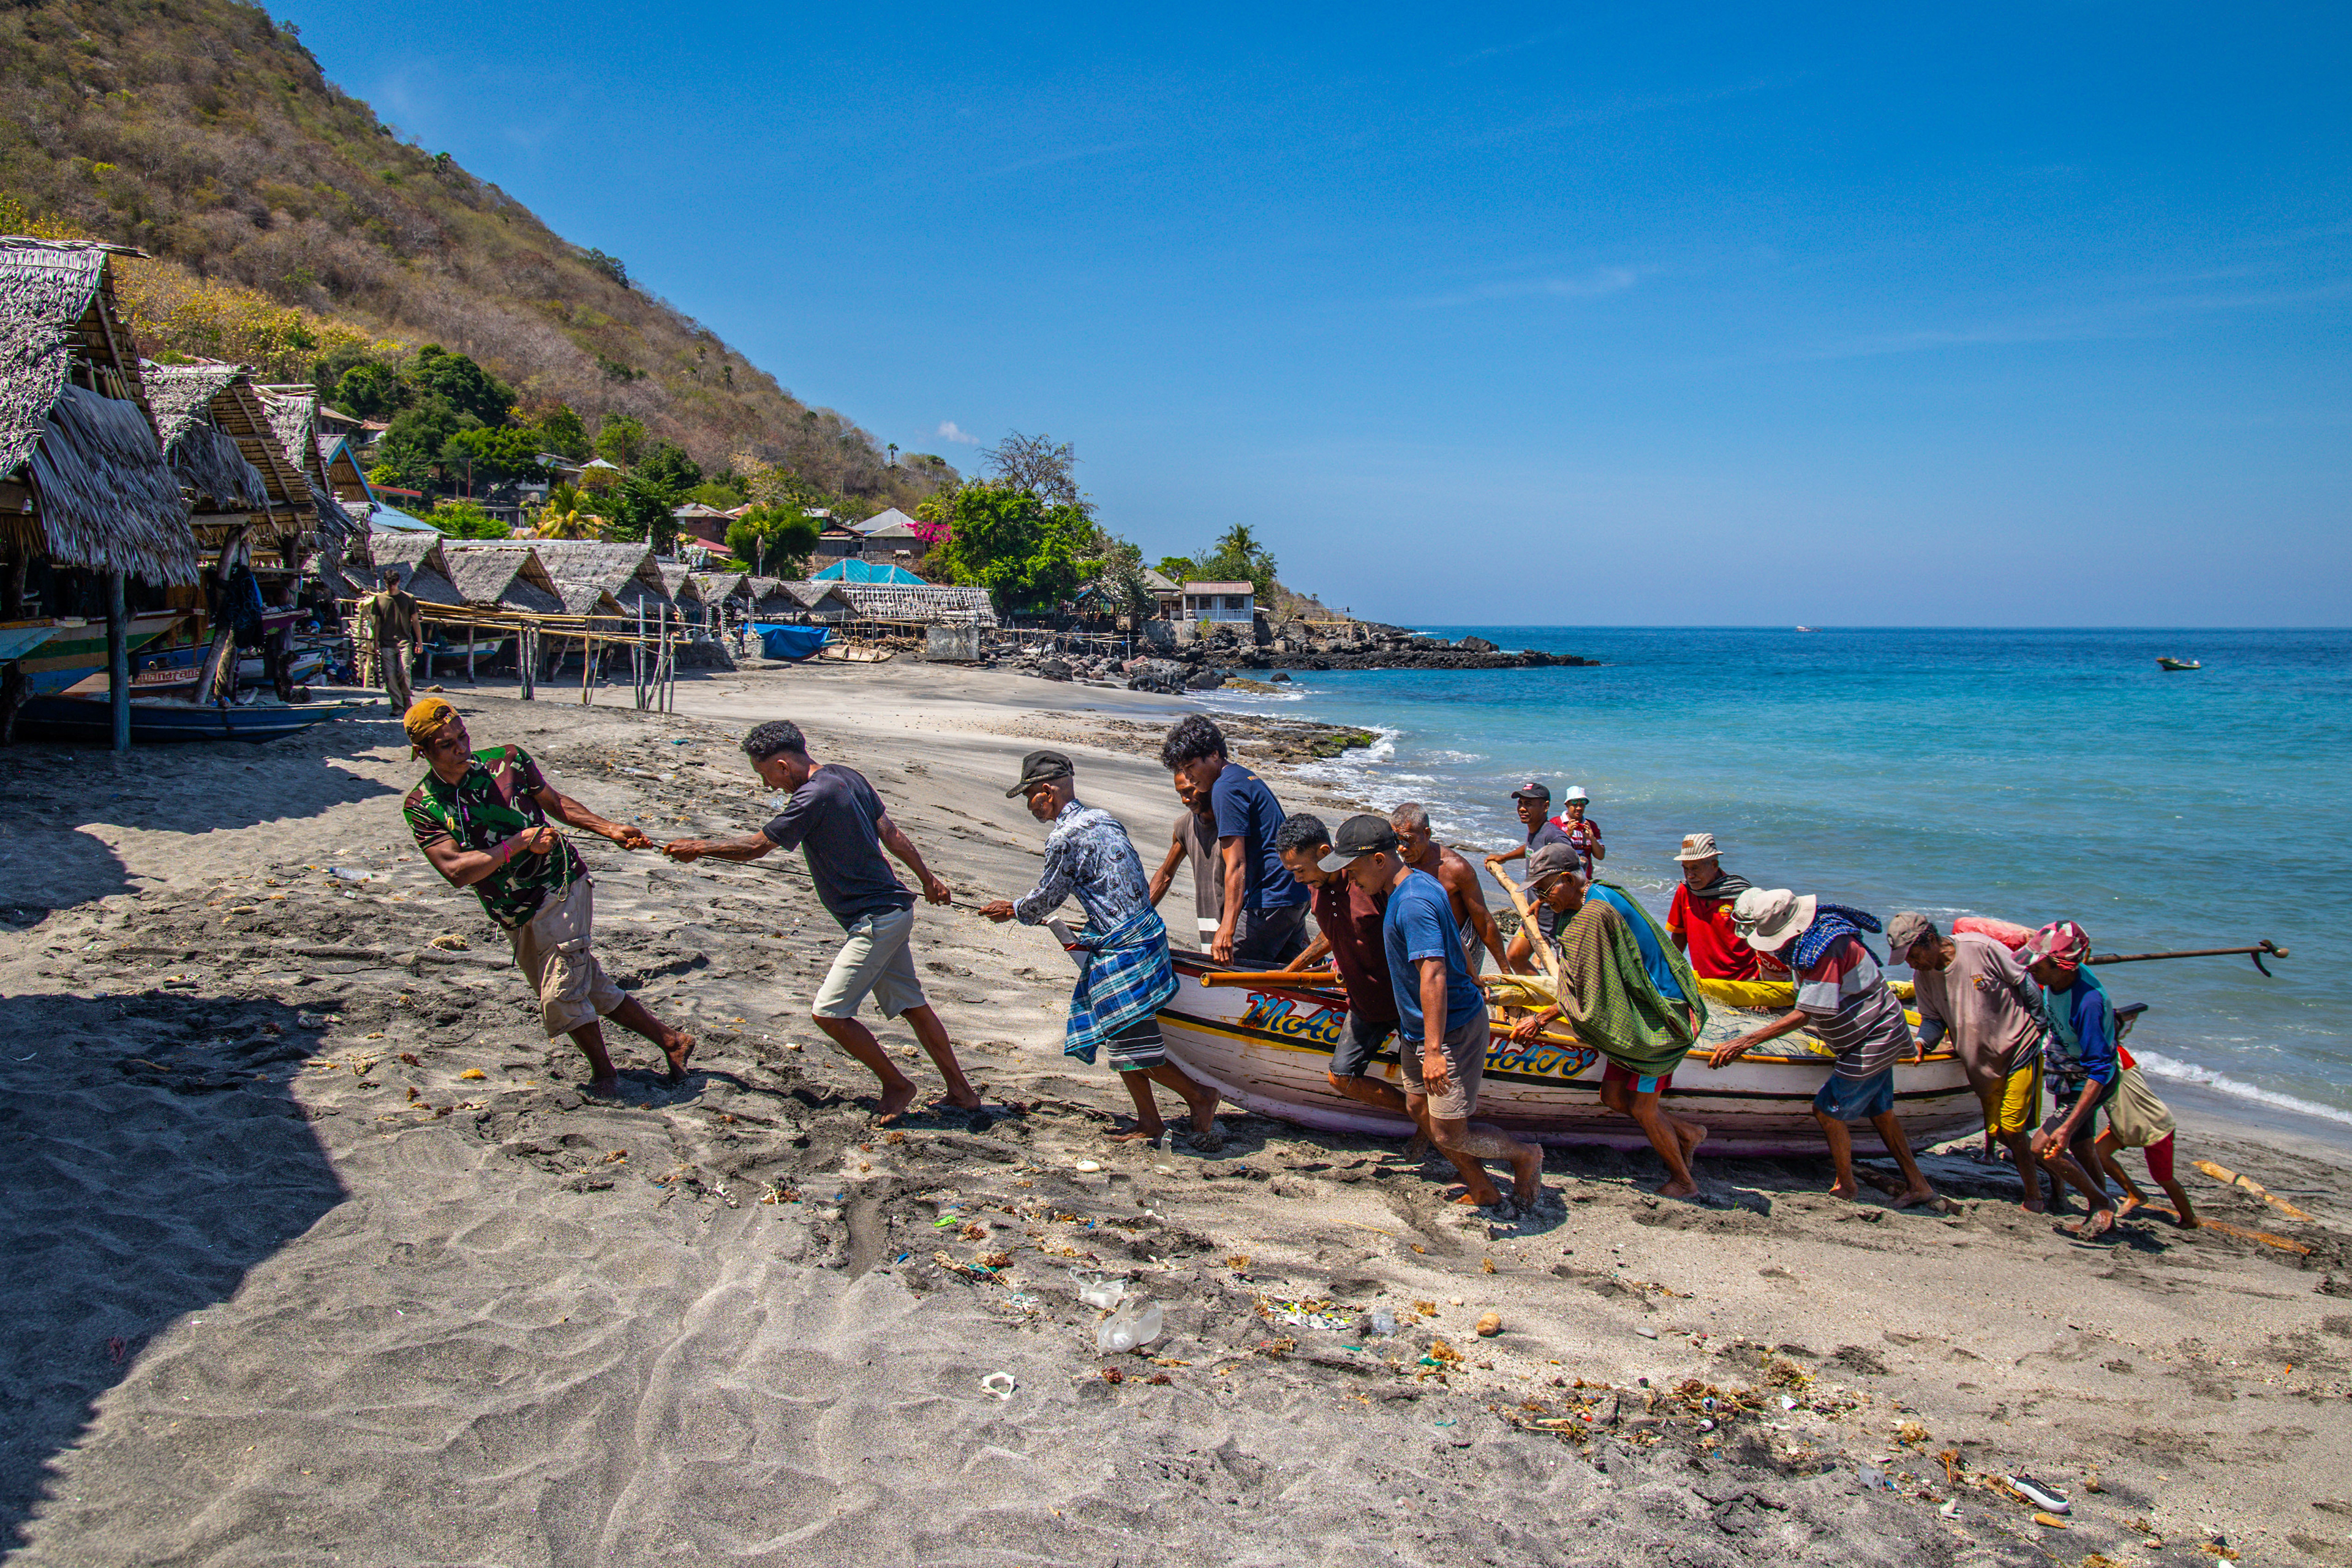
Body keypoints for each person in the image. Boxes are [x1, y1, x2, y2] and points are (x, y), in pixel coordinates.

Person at [663, 720, 981, 1125]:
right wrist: (926, 878)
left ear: (782, 764)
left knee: (829, 1013)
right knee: (912, 1005)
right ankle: (963, 1093)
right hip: (895, 910)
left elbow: (756, 848)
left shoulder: (811, 797)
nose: (770, 788)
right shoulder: (846, 776)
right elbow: (891, 832)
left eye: (767, 777)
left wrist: (699, 847)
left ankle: (898, 1085)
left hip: (876, 921)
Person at [401, 699, 693, 1097]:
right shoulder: (423, 806)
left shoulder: (508, 761)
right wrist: (520, 843)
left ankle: (605, 1074)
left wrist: (608, 828)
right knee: (587, 984)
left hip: (561, 885)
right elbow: (455, 871)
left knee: (560, 993)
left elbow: (555, 803)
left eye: (463, 736)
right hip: (512, 909)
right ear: (423, 753)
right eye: (446, 743)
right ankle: (672, 1041)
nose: (461, 747)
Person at [979, 750, 1221, 1144]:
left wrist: (1014, 911)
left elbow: (1047, 898)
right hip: (1141, 931)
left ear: (1046, 792)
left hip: (1125, 945)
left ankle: (1200, 1096)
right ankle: (1149, 1121)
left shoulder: (1064, 837)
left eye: (1029, 797)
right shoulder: (1104, 819)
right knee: (1120, 1033)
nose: (1029, 806)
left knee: (1128, 1037)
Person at [1325, 814, 1544, 1213]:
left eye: (1353, 871)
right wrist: (1475, 974)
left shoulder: (1410, 902)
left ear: (1378, 860)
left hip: (1449, 1029)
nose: (1351, 881)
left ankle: (1525, 1155)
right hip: (1418, 1029)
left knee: (1449, 1134)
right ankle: (1485, 1184)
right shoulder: (1421, 880)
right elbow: (1454, 939)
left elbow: (1434, 972)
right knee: (1416, 1107)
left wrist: (1435, 1050)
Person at [1501, 843, 1708, 1197]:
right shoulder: (1595, 894)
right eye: (1535, 891)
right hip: (1638, 1005)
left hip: (1660, 1015)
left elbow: (1595, 992)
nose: (1542, 897)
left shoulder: (1596, 912)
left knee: (1644, 1107)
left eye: (1545, 889)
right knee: (1612, 1096)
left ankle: (1684, 1181)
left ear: (1568, 878)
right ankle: (1688, 1133)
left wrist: (1543, 1018)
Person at [1709, 889, 1937, 1208]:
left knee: (1826, 1109)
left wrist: (1743, 1042)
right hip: (1869, 1035)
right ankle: (1919, 1184)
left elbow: (1807, 1013)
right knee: (1882, 1113)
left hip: (1873, 1037)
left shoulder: (1827, 947)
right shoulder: (1814, 939)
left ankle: (1846, 1186)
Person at [1885, 911, 2050, 1211]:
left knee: (2013, 1129)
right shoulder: (1923, 977)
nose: (1911, 963)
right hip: (1981, 1065)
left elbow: (2024, 984)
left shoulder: (1980, 948)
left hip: (2019, 1048)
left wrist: (2040, 1025)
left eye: (1913, 955)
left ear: (1931, 940)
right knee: (1999, 1132)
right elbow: (1933, 1020)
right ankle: (2058, 1179)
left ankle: (2035, 1196)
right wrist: (1923, 1042)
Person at [1272, 813, 1408, 1119]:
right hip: (1364, 1004)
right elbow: (1332, 931)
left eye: (1299, 871)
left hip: (1403, 1002)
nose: (1298, 880)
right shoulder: (1315, 883)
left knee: (1424, 1083)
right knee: (1341, 1077)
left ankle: (1428, 1128)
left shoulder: (1367, 881)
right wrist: (1291, 971)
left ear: (1324, 853)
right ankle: (1418, 1119)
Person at [1158, 714, 1310, 965]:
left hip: (1269, 900)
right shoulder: (1243, 776)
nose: (1189, 776)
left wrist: (1227, 929)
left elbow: (1236, 864)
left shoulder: (1224, 788)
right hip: (1292, 894)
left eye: (1191, 766)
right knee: (1285, 976)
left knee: (1227, 968)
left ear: (1215, 754)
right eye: (1183, 769)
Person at [2018, 921, 2126, 1238]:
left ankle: (2101, 1201)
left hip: (2091, 1083)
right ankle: (2101, 1211)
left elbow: (2101, 1069)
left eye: (2038, 964)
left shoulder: (2088, 1003)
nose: (2031, 970)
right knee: (2083, 1148)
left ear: (2062, 967)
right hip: (2071, 1074)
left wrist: (2066, 1126)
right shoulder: (2056, 982)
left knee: (2042, 1146)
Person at [1389, 802, 1510, 974]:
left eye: (1408, 840)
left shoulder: (1456, 869)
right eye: (1397, 841)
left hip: (1461, 945)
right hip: (1422, 942)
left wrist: (1506, 971)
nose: (1402, 848)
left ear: (1427, 834)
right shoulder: (1399, 863)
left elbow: (1483, 920)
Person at [2095, 1050, 2198, 1229]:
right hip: (2125, 1123)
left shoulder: (2116, 1054)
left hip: (2153, 1124)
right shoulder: (2093, 1057)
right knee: (2097, 1153)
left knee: (2163, 1178)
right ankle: (2135, 1195)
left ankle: (2190, 1219)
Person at [1490, 780, 1577, 973]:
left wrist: (1542, 900)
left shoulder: (1553, 836)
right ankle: (1543, 1000)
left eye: (1528, 804)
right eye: (1520, 803)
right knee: (1515, 956)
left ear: (1545, 807)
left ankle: (1559, 1001)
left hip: (1554, 917)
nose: (1522, 808)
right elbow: (1531, 850)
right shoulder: (1535, 831)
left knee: (1564, 971)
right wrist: (1505, 857)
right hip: (1534, 914)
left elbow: (1571, 868)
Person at [1664, 834, 1763, 981]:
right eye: (1686, 869)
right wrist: (1669, 972)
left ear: (1714, 865)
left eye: (1695, 868)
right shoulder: (1685, 891)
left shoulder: (1740, 894)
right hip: (1707, 981)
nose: (1690, 875)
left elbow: (1762, 940)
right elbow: (1679, 934)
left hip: (1745, 980)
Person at [1145, 774, 1224, 951]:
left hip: (1241, 923)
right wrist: (1138, 918)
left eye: (1189, 791)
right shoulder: (1184, 826)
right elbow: (1166, 874)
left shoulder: (1232, 822)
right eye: (1180, 793)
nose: (1184, 800)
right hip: (1210, 922)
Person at [370, 567, 421, 710]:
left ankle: (406, 698)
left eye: (393, 583)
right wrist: (375, 643)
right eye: (388, 583)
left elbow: (415, 621)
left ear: (398, 582)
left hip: (404, 641)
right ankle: (397, 705)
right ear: (384, 582)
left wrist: (419, 642)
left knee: (404, 671)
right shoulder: (379, 599)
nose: (391, 586)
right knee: (389, 676)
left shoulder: (409, 599)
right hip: (386, 643)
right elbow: (377, 623)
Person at [1553, 786, 1605, 876]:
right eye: (1575, 805)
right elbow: (1551, 853)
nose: (1579, 808)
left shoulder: (1591, 825)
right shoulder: (1556, 823)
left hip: (1585, 880)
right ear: (1567, 805)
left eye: (1582, 805)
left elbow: (1600, 856)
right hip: (1562, 879)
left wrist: (1592, 838)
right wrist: (1568, 835)